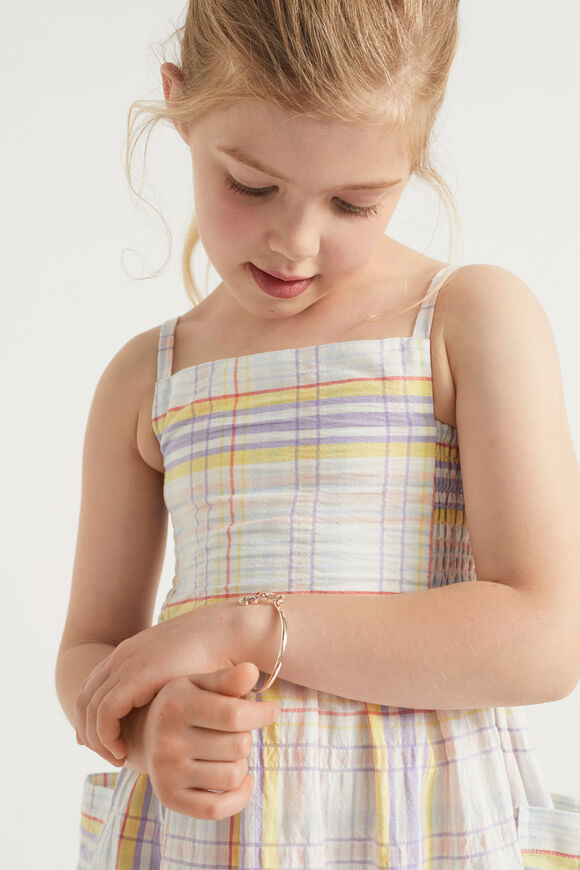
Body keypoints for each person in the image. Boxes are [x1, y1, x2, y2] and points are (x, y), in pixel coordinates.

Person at [55, 1, 580, 867]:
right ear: (179, 104)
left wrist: (245, 630)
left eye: (354, 202)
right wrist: (148, 730)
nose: (296, 243)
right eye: (251, 185)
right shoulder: (146, 381)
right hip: (201, 837)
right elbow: (91, 652)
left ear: (416, 155)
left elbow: (547, 640)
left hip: (421, 829)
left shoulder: (466, 323)